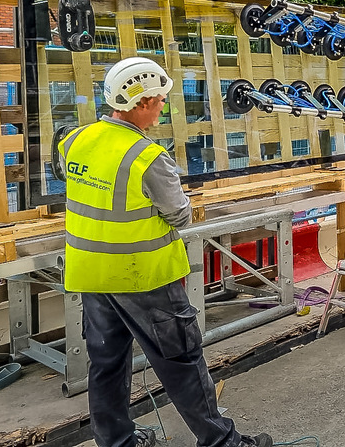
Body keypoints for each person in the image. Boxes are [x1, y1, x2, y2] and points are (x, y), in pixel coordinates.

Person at [59, 57, 272, 447]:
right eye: (159, 100)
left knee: (106, 365)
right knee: (181, 362)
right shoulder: (147, 157)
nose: (163, 107)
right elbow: (180, 215)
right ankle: (222, 442)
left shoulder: (76, 140)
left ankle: (118, 441)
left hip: (91, 275)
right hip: (144, 276)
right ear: (140, 103)